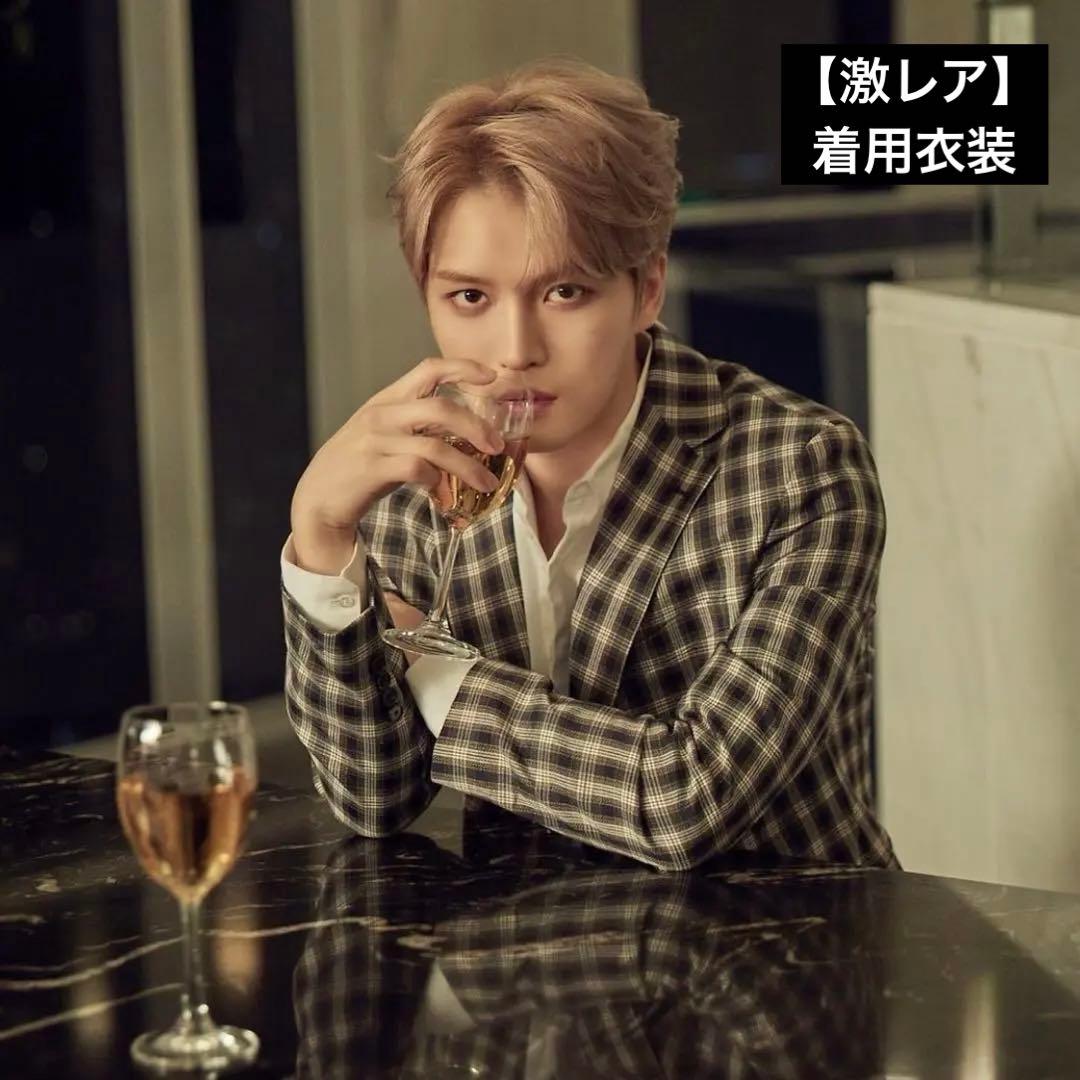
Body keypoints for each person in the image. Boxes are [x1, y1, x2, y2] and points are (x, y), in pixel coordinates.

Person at [281, 58, 899, 872]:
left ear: (647, 290)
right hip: (534, 940)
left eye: (564, 292)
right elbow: (373, 795)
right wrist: (321, 537)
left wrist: (430, 666)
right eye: (470, 298)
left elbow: (689, 799)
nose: (515, 351)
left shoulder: (801, 468)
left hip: (784, 938)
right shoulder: (422, 477)